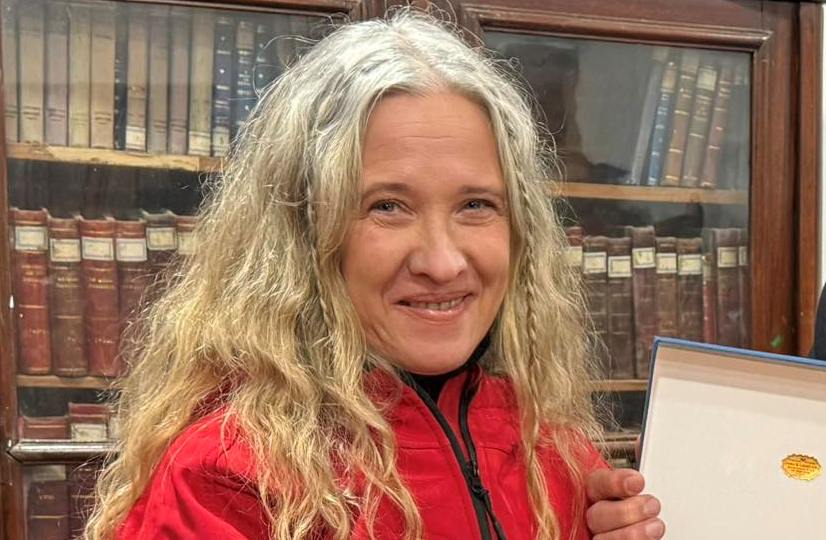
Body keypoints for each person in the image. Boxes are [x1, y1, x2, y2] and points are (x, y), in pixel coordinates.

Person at [87, 10, 663, 540]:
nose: (442, 262)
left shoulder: (557, 453)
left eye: (476, 205)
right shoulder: (226, 478)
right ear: (304, 232)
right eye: (388, 206)